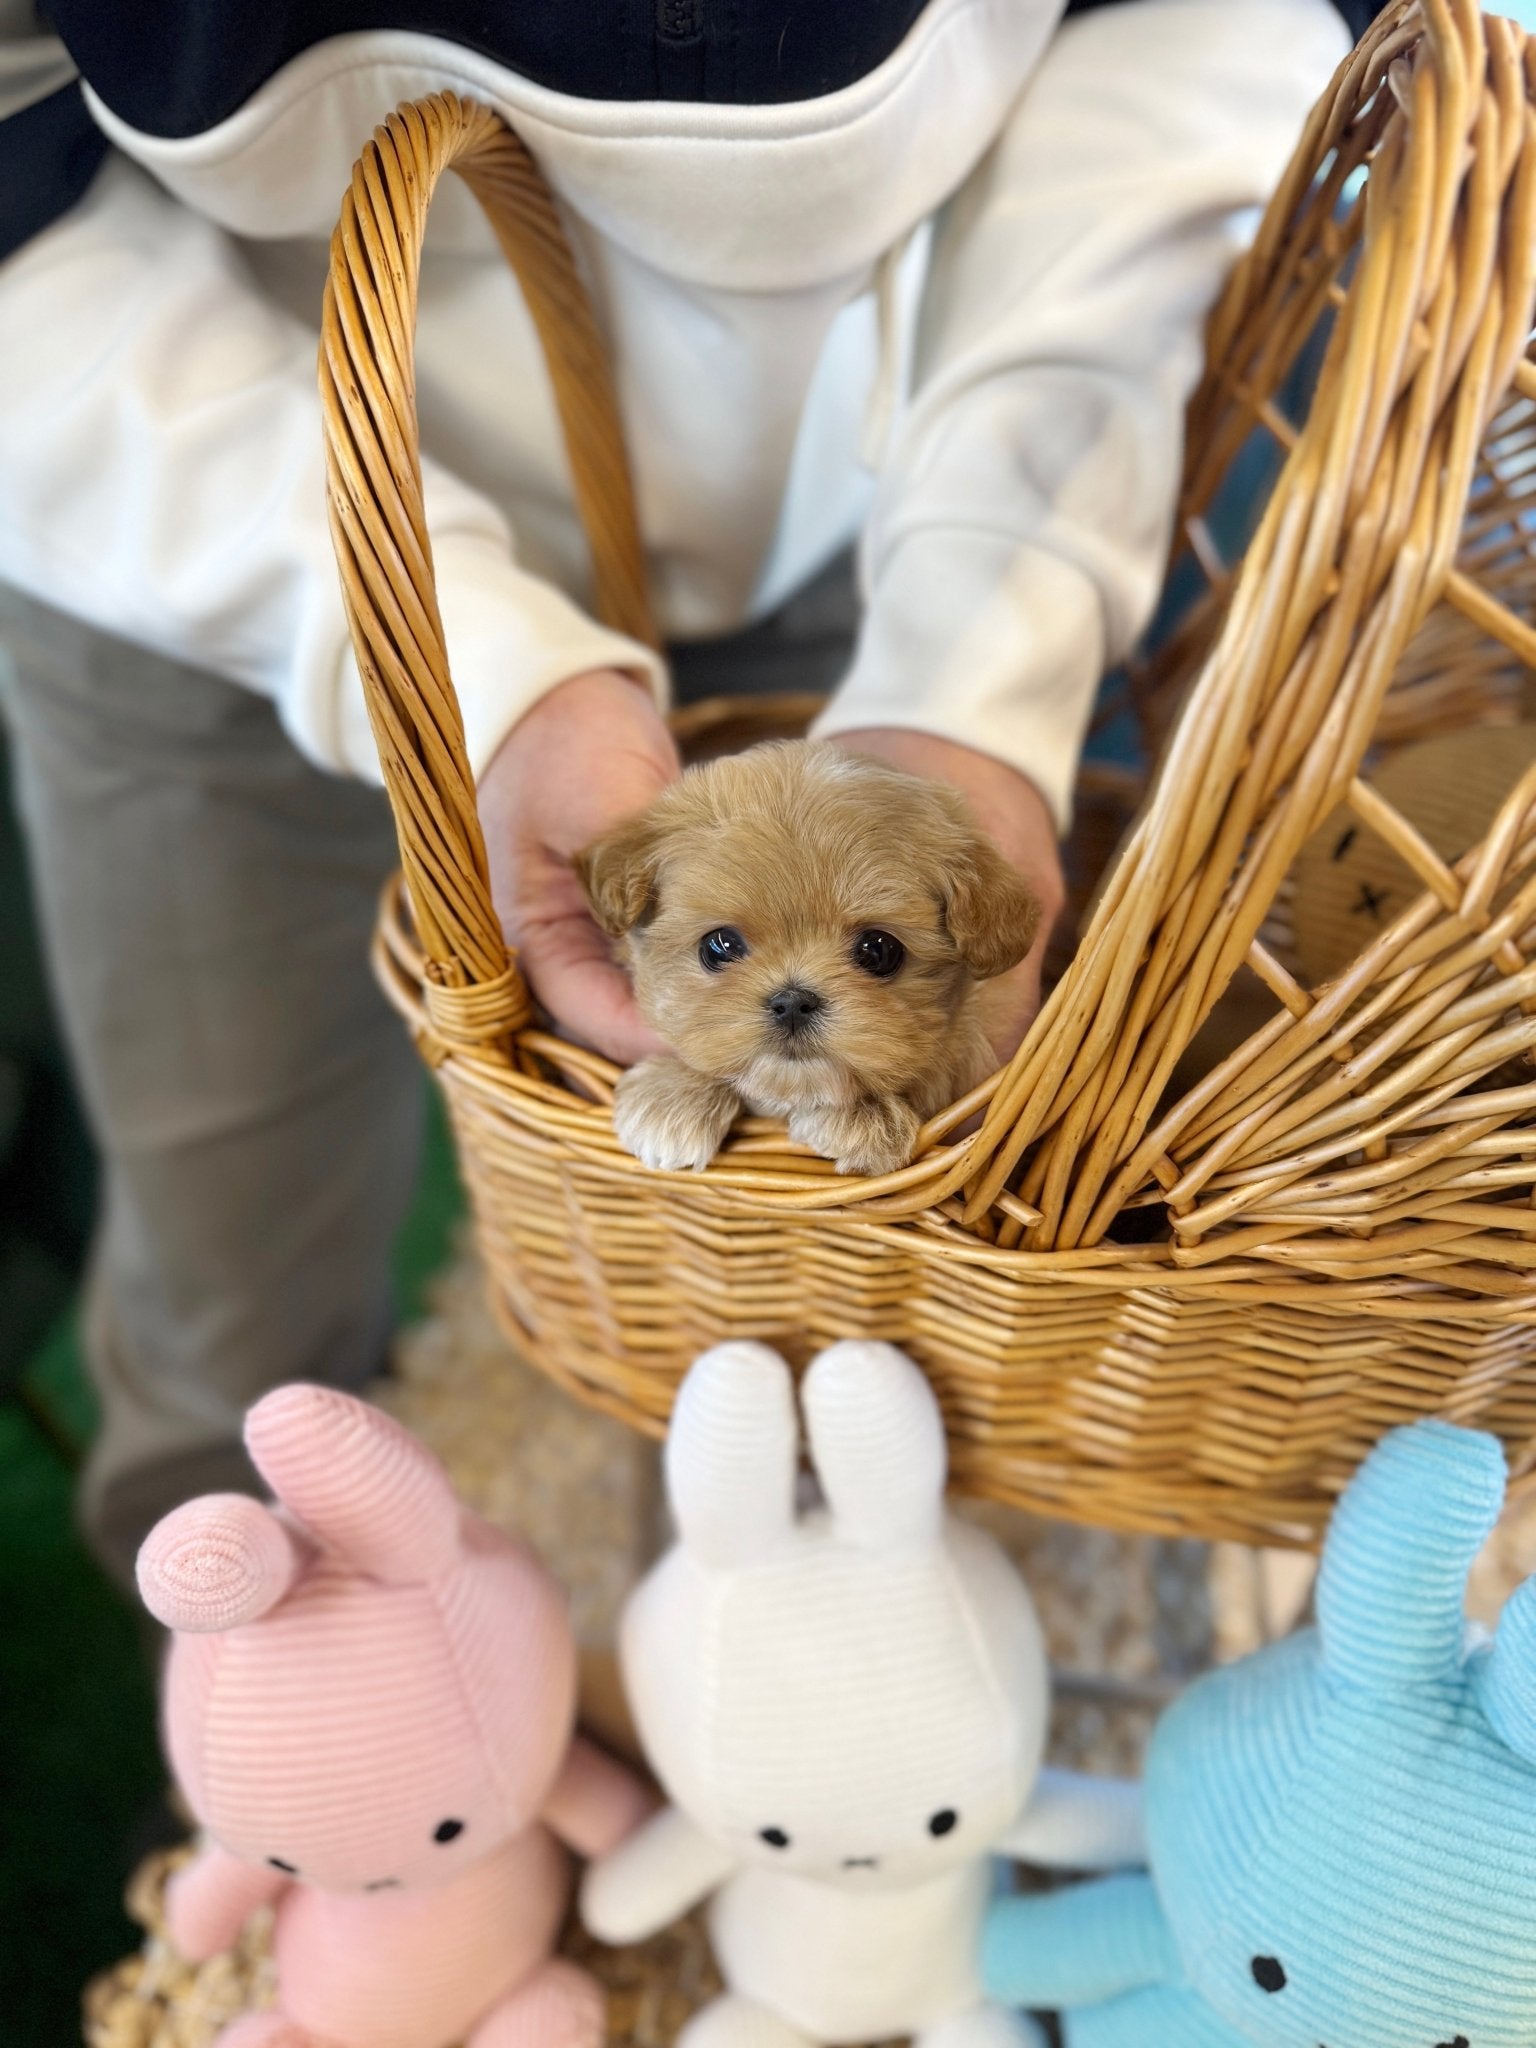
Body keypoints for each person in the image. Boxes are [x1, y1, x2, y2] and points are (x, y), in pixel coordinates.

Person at [0, 0, 1362, 1586]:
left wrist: (979, 669)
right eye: (725, 954)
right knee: (229, 1249)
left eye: (869, 953)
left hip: (862, 496)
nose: (789, 996)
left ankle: (831, 1634)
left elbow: (1198, 28)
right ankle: (253, 1681)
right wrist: (480, 672)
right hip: (174, 507)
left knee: (856, 1329)